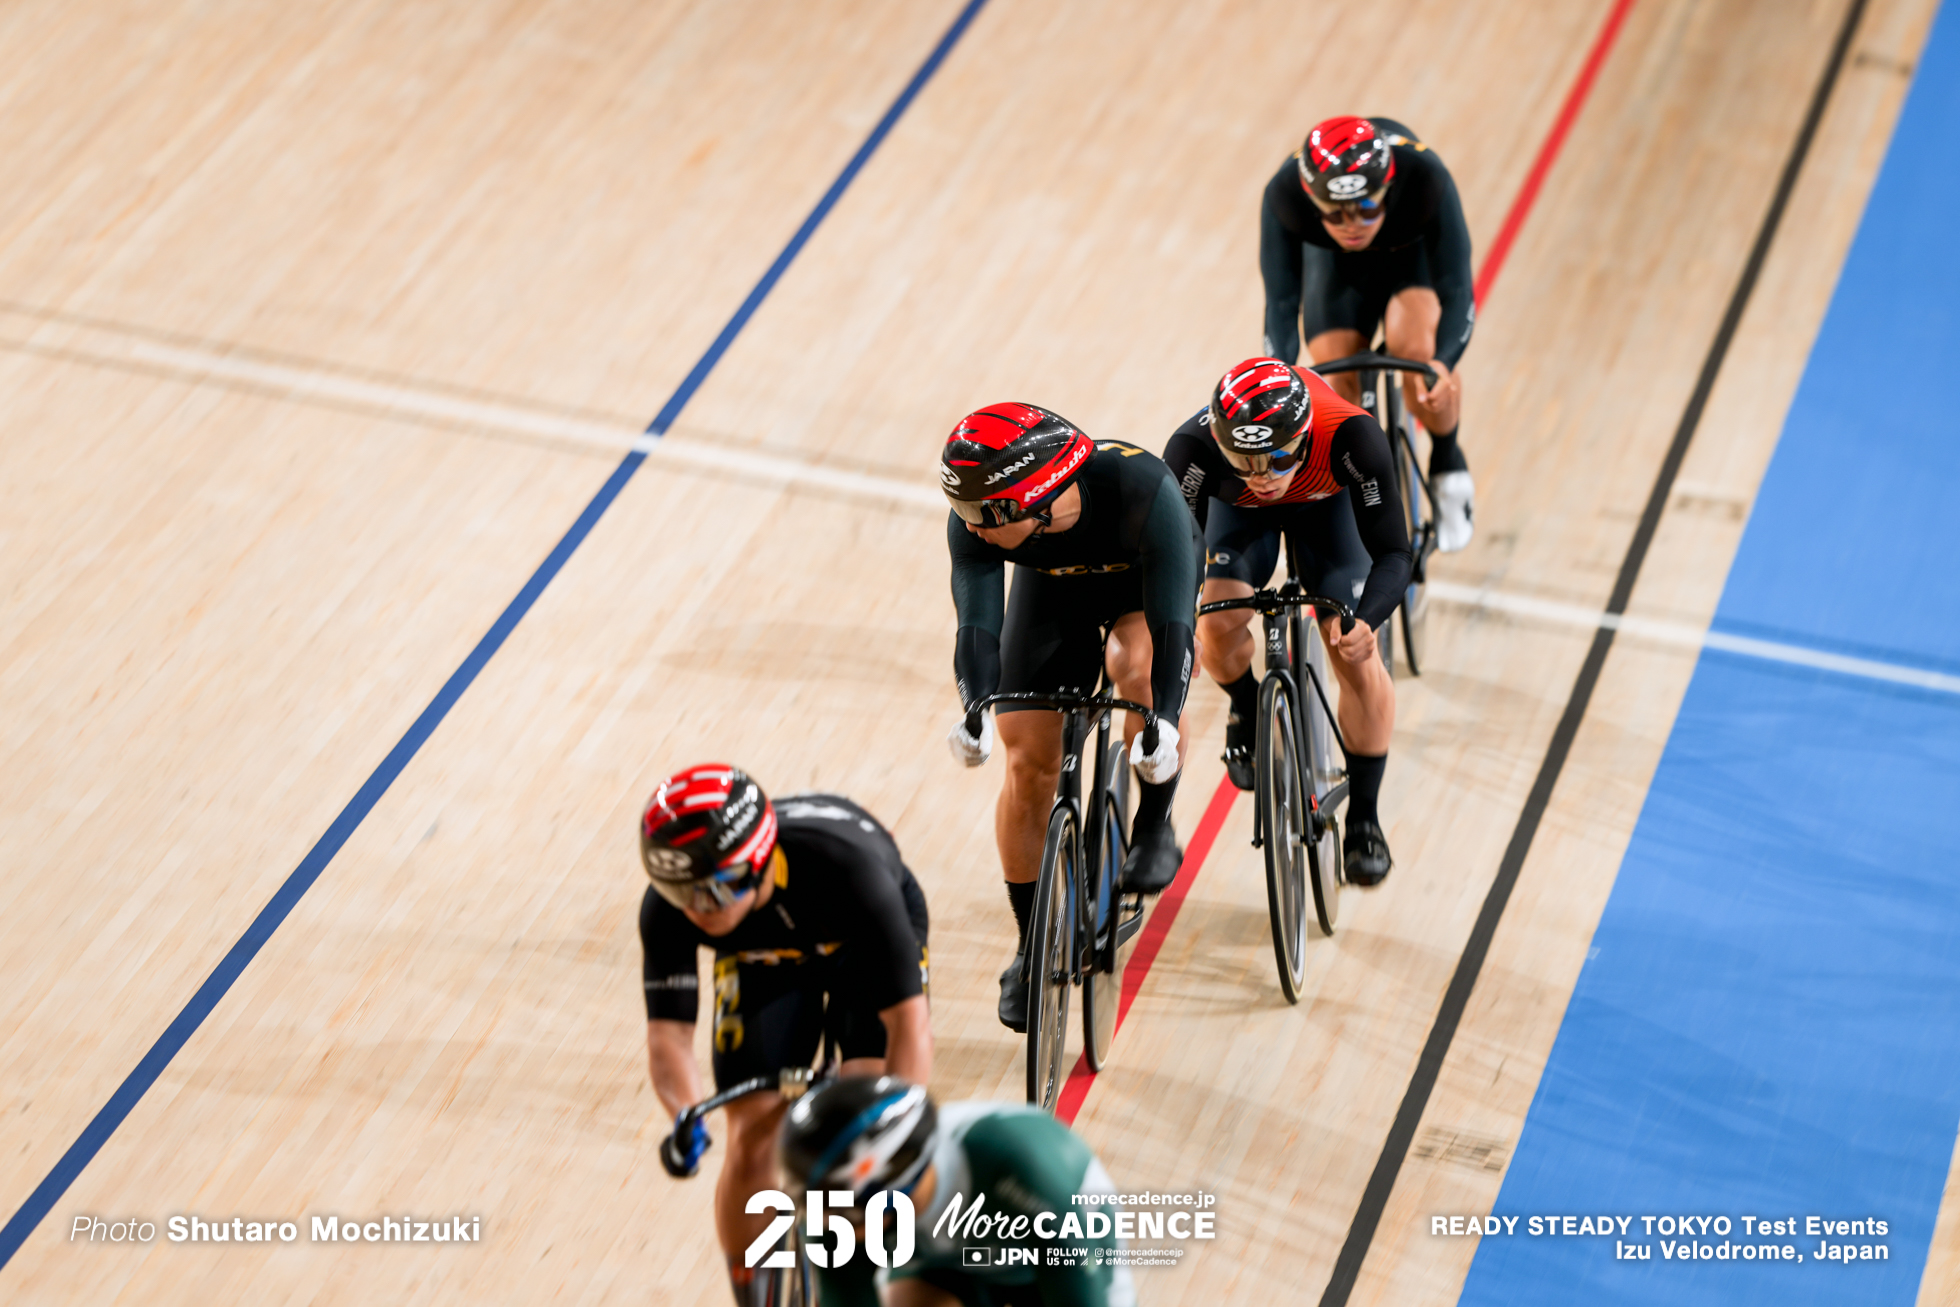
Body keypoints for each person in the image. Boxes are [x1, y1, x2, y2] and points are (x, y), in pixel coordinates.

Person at [940, 403, 1202, 1031]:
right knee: (1027, 755)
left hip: (1145, 586)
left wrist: (1163, 717)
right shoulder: (977, 520)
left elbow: (1174, 634)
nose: (967, 526)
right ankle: (1032, 943)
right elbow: (977, 626)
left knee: (1134, 670)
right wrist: (974, 706)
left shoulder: (1143, 489)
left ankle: (1154, 823)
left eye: (980, 514)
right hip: (1055, 588)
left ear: (1029, 499)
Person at [638, 764, 933, 1307]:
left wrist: (894, 1130)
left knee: (859, 1113)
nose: (695, 911)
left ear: (755, 864)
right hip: (766, 959)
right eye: (678, 892)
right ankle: (757, 1295)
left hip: (856, 943)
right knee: (751, 1136)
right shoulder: (671, 909)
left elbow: (907, 1026)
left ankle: (852, 1282)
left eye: (710, 892)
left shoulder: (850, 873)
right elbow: (669, 1039)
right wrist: (684, 1113)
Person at [1164, 358, 1410, 885]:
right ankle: (1248, 707)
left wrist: (1367, 622)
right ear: (1219, 439)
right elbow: (1175, 560)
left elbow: (1394, 552)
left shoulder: (1351, 439)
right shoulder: (1192, 451)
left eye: (1278, 458)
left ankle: (1364, 817)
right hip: (1241, 519)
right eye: (1244, 460)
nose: (1264, 476)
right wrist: (1182, 626)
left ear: (1303, 437)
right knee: (1216, 620)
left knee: (1354, 653)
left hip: (1327, 510)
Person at [1260, 114, 1476, 551]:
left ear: (1388, 190)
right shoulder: (1283, 193)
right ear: (1311, 201)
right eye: (1334, 214)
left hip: (1406, 260)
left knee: (1419, 365)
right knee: (1336, 392)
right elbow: (1282, 304)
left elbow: (1458, 293)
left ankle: (1447, 462)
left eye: (1367, 208)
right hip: (1336, 270)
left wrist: (1441, 363)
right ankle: (1348, 514)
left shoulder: (1426, 178)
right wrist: (1281, 377)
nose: (1352, 224)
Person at [778, 1075, 1135, 1306]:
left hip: (1071, 1261)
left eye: (847, 1218)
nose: (833, 1228)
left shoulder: (1018, 1166)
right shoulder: (835, 1216)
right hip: (952, 1268)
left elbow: (1082, 1292)